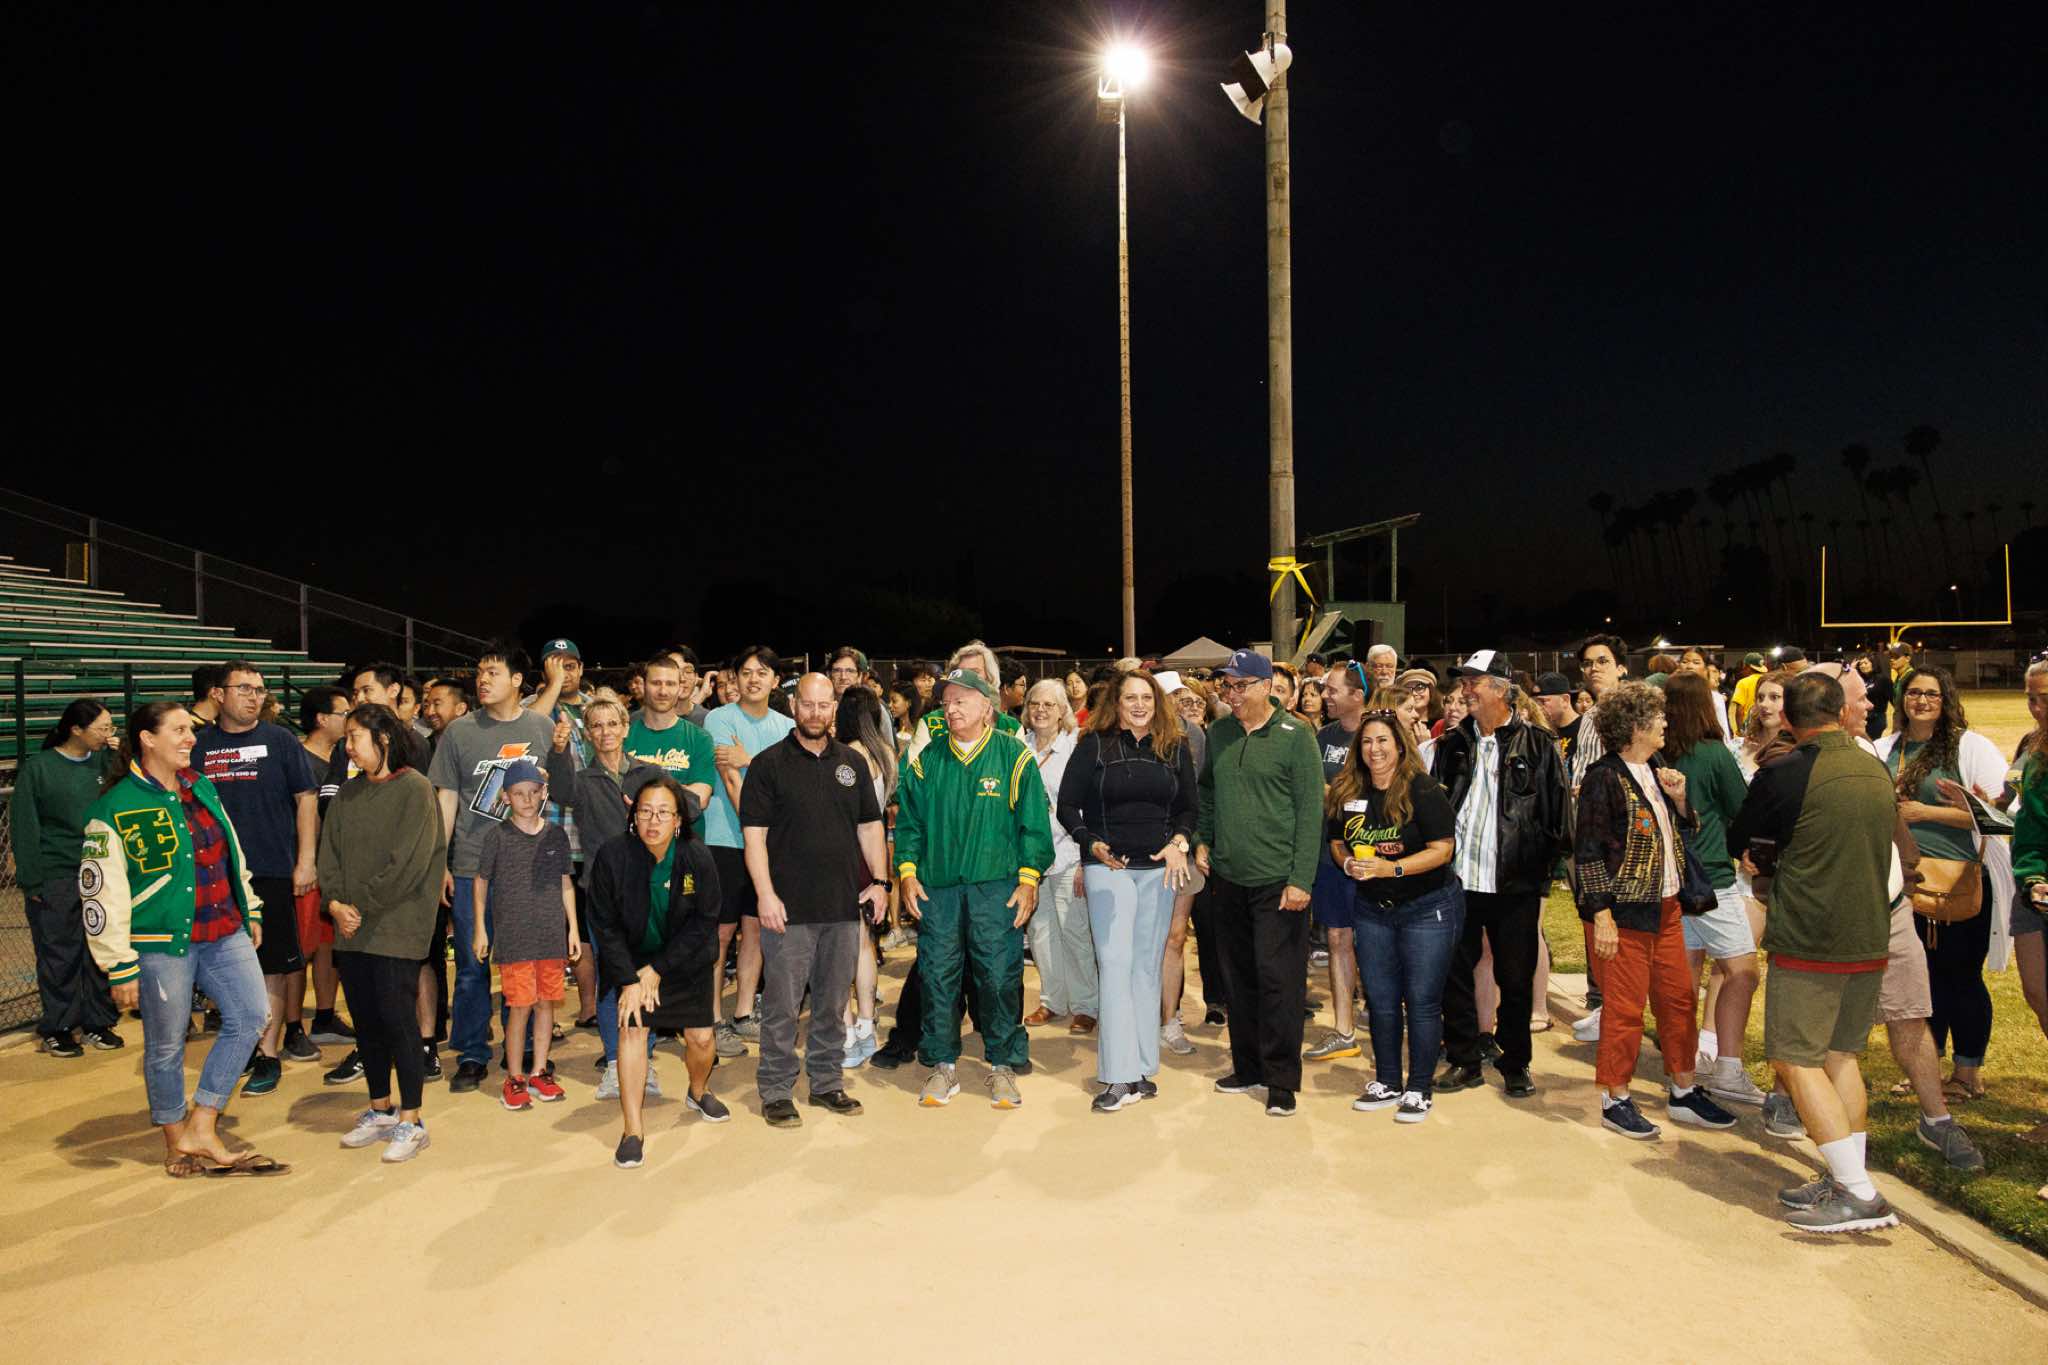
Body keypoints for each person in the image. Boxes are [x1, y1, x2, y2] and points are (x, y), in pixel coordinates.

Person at [1729, 671, 1902, 1231]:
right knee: (1840, 1057)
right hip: (1869, 931)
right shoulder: (1873, 767)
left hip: (1812, 935)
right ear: (1842, 712)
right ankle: (1846, 1175)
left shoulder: (1785, 771)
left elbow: (1742, 836)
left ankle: (1856, 1191)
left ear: (1787, 718)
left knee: (1795, 1059)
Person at [84, 701, 284, 1177]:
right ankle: (176, 1143)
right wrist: (119, 963)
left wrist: (250, 905)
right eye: (178, 730)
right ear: (147, 739)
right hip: (158, 943)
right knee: (166, 1044)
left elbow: (232, 850)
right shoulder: (113, 808)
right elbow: (101, 894)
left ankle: (203, 1122)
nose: (191, 738)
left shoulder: (201, 786)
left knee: (252, 1015)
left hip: (223, 928)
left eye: (190, 730)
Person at [1567, 681, 1734, 1139]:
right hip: (1625, 914)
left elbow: (1680, 830)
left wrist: (1679, 800)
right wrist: (1601, 915)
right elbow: (1588, 851)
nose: (1665, 722)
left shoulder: (1658, 767)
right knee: (1624, 1009)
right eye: (1658, 716)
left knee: (1679, 1001)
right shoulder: (1604, 777)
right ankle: (1615, 1098)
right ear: (1635, 726)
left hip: (1667, 908)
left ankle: (1683, 1090)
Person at [894, 667, 1053, 1110]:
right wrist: (907, 872)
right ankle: (942, 1063)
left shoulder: (1013, 756)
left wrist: (1028, 879)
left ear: (988, 707)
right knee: (937, 975)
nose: (951, 707)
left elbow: (1034, 825)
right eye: (946, 701)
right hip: (938, 889)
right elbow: (909, 824)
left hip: (996, 888)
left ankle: (1002, 1062)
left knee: (999, 976)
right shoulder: (927, 760)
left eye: (961, 699)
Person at [739, 674, 890, 1127]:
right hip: (788, 910)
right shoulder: (768, 765)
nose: (816, 713)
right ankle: (776, 1089)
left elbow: (870, 826)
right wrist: (765, 895)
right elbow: (754, 838)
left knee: (831, 1003)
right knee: (783, 1007)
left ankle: (826, 1082)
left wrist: (880, 883)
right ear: (793, 705)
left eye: (825, 705)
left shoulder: (852, 763)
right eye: (808, 704)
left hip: (842, 907)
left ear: (834, 709)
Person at [426, 643, 576, 1094]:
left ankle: (526, 1048)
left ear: (516, 680)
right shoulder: (459, 732)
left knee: (524, 961)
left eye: (492, 672)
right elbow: (446, 799)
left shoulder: (540, 726)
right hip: (473, 863)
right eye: (479, 672)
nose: (482, 680)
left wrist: (561, 752)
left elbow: (559, 789)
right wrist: (440, 862)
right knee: (472, 964)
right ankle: (472, 1052)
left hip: (529, 871)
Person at [1057, 670, 1197, 1111]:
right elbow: (1067, 805)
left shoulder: (1174, 746)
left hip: (1158, 871)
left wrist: (1179, 842)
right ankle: (1118, 1076)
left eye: (1146, 698)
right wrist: (1090, 842)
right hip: (1109, 869)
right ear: (1115, 704)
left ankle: (1139, 1069)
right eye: (1130, 698)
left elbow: (1189, 808)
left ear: (1157, 703)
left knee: (1145, 968)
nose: (1139, 705)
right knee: (1116, 966)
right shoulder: (1093, 745)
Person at [1432, 651, 1567, 1100]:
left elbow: (1558, 816)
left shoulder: (1538, 745)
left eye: (1475, 682)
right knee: (1454, 971)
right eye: (1464, 682)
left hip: (1514, 883)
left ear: (1502, 690)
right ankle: (1464, 1058)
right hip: (1459, 881)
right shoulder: (1452, 744)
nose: (1466, 690)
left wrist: (1540, 872)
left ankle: (1515, 1062)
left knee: (1515, 977)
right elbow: (1435, 808)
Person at [1195, 649, 1324, 1117]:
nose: (1230, 694)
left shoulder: (1296, 735)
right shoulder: (1220, 733)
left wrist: (1301, 879)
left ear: (1266, 687)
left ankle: (1281, 1080)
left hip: (1278, 881)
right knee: (1238, 978)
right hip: (1228, 877)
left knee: (1279, 982)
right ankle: (1247, 1067)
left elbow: (1310, 811)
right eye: (1226, 686)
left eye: (1240, 685)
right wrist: (1203, 838)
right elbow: (1207, 792)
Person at [1875, 666, 2008, 1102]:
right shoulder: (1885, 749)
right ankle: (1927, 1069)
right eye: (1914, 692)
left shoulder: (1970, 748)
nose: (1922, 701)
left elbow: (2000, 816)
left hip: (1959, 881)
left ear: (1946, 700)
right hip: (1904, 883)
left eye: (1932, 694)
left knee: (1961, 977)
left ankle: (1968, 1073)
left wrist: (1925, 812)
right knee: (1920, 981)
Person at [321, 704, 447, 1163]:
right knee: (367, 1021)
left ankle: (412, 1119)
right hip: (351, 926)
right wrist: (335, 903)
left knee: (398, 1021)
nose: (348, 746)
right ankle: (380, 1110)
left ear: (384, 738)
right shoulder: (348, 793)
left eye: (355, 736)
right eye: (346, 737)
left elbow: (408, 864)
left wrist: (359, 905)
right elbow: (328, 855)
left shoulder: (415, 789)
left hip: (395, 924)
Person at [190, 660, 318, 1095]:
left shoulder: (280, 740)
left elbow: (306, 798)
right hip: (214, 876)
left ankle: (268, 1052)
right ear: (218, 694)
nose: (253, 697)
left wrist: (306, 860)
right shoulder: (199, 746)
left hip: (270, 869)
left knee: (273, 965)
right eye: (243, 688)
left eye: (259, 690)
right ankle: (240, 1042)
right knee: (222, 963)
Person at [1327, 707, 1459, 1122]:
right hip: (1372, 909)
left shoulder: (1422, 788)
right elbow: (1337, 842)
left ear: (1400, 745)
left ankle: (1419, 1087)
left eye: (1383, 740)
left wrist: (1393, 868)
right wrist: (1349, 863)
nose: (1374, 749)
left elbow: (1443, 849)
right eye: (1367, 741)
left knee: (1421, 1001)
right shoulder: (1348, 789)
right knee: (1381, 999)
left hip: (1426, 907)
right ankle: (1386, 1080)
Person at [588, 777, 726, 1168]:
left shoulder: (696, 857)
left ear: (678, 820)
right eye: (645, 811)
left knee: (701, 1040)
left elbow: (705, 921)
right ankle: (632, 1130)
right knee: (632, 1029)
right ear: (633, 816)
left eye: (664, 813)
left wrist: (659, 969)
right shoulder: (613, 856)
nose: (653, 821)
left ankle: (698, 1091)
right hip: (633, 963)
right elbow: (604, 924)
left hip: (684, 961)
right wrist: (630, 979)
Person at [1659, 673, 1765, 1106]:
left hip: (1672, 882)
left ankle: (1682, 1066)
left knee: (1683, 979)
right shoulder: (1712, 753)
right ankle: (1728, 1067)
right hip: (1712, 881)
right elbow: (1743, 807)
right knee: (1743, 972)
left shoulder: (1657, 753)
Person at [562, 691, 666, 1099]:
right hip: (602, 895)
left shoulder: (648, 774)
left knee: (645, 978)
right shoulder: (581, 781)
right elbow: (560, 791)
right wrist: (557, 750)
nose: (605, 732)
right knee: (611, 981)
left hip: (647, 893)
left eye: (612, 724)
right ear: (588, 734)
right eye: (596, 726)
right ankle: (613, 1063)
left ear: (625, 728)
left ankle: (645, 1061)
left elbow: (686, 810)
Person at [14, 699, 121, 1057]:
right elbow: (25, 826)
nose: (108, 734)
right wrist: (33, 879)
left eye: (111, 728)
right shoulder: (39, 768)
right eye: (102, 728)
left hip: (100, 870)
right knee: (60, 952)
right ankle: (58, 1027)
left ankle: (98, 1021)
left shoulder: (105, 762)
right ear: (76, 729)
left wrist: (119, 757)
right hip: (57, 872)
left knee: (99, 949)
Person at [471, 761, 580, 1109]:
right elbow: (480, 882)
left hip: (550, 936)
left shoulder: (556, 835)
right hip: (514, 939)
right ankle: (515, 1076)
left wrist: (573, 928)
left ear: (543, 793)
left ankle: (539, 1071)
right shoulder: (497, 837)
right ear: (506, 797)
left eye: (534, 792)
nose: (528, 800)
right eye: (519, 794)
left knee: (546, 1004)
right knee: (519, 1007)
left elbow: (565, 883)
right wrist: (480, 928)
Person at [702, 647, 795, 1057]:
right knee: (721, 933)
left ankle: (743, 1013)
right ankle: (712, 1019)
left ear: (775, 680)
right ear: (735, 679)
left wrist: (750, 759)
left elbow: (790, 782)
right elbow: (731, 779)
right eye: (746, 672)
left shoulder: (788, 726)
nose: (753, 679)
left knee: (756, 928)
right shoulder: (719, 718)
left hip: (771, 845)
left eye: (762, 672)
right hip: (725, 839)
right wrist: (757, 831)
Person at [1019, 678, 1094, 1033]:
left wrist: (1084, 860)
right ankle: (1052, 1001)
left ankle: (1086, 1005)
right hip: (1031, 859)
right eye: (1035, 703)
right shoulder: (1018, 747)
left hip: (1068, 854)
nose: (1041, 710)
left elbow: (1089, 805)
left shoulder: (1077, 747)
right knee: (1040, 932)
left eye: (1049, 704)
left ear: (1063, 710)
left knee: (1074, 932)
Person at [1303, 660, 1369, 1064]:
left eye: (1332, 690)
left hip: (1373, 856)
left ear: (1357, 696)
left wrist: (1333, 792)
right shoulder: (1323, 736)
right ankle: (1344, 1031)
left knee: (1375, 942)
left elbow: (1378, 792)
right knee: (1337, 939)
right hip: (1331, 855)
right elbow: (1314, 791)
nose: (1325, 696)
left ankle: (1381, 1016)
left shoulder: (1378, 732)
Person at [832, 686, 898, 1066]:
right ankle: (867, 1025)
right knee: (863, 944)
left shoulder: (845, 755)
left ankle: (845, 1029)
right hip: (874, 854)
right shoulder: (885, 754)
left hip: (846, 854)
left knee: (840, 945)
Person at [1163, 671, 1226, 1032]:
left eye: (1191, 699)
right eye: (1177, 697)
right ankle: (1170, 1010)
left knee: (1207, 927)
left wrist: (1201, 839)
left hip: (1198, 843)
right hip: (1167, 846)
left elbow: (1203, 793)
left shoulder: (1202, 736)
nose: (1184, 705)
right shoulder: (1153, 736)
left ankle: (1216, 999)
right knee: (1170, 937)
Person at [2010, 659, 2048, 1180]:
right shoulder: (2034, 750)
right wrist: (2033, 877)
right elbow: (2031, 828)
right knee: (2038, 995)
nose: (2038, 708)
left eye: (2046, 698)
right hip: (2034, 891)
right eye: (2032, 698)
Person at [624, 654, 716, 836]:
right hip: (634, 842)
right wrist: (681, 792)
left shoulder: (700, 738)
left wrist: (643, 796)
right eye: (656, 683)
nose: (663, 691)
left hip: (685, 843)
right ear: (643, 685)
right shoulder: (624, 735)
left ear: (680, 688)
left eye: (670, 684)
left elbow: (700, 799)